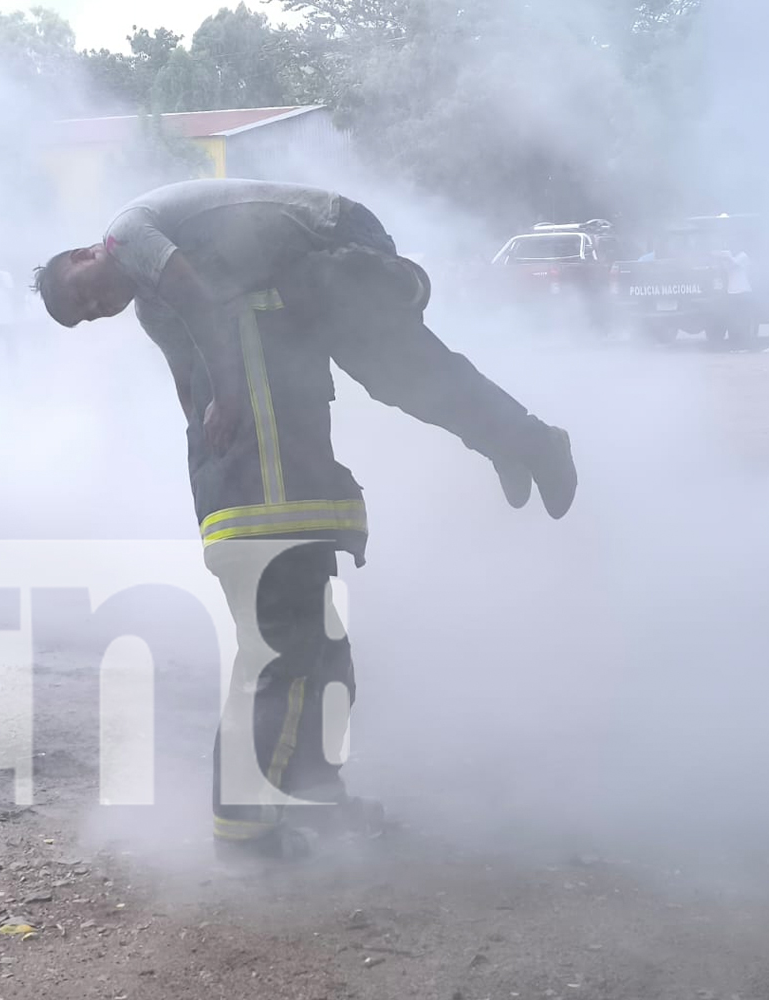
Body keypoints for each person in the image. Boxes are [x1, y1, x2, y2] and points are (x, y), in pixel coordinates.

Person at [33, 178, 577, 863]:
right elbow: (184, 366)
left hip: (339, 233)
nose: (97, 306)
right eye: (86, 315)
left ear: (88, 252)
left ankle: (517, 438)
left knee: (396, 363)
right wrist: (209, 439)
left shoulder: (130, 234)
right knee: (306, 647)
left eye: (85, 292)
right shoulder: (164, 309)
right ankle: (262, 822)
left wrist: (227, 394)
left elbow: (203, 307)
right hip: (258, 488)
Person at [716, 245, 754, 350]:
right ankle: (735, 345)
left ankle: (746, 345)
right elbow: (727, 269)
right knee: (733, 320)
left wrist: (727, 256)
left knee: (744, 321)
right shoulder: (728, 259)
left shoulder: (743, 256)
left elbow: (735, 263)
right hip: (731, 292)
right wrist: (720, 257)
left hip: (743, 291)